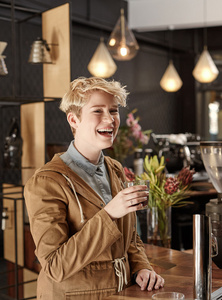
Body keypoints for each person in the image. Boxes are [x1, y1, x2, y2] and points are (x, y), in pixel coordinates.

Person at [24, 77, 164, 299]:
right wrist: (109, 214)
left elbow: (129, 236)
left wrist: (141, 266)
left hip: (122, 292)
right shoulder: (46, 182)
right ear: (74, 120)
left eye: (114, 110)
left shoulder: (115, 168)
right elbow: (54, 267)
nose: (109, 119)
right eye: (97, 111)